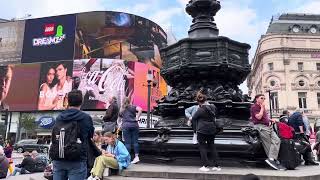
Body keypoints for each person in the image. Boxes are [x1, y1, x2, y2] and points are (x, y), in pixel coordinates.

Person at [51, 90, 94, 180]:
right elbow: (90, 135)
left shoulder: (59, 117)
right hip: (77, 158)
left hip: (59, 157)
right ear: (81, 102)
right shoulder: (86, 118)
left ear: (68, 101)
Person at [250, 94, 283, 170]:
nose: (263, 100)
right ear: (256, 99)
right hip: (261, 126)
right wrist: (262, 108)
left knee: (277, 140)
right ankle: (273, 160)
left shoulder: (262, 107)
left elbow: (265, 117)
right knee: (268, 144)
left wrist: (271, 120)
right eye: (261, 98)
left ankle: (271, 159)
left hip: (268, 126)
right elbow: (258, 117)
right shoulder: (254, 107)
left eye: (264, 98)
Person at [191, 91, 220, 172]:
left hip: (202, 130)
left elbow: (194, 118)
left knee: (202, 147)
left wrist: (194, 129)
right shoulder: (213, 107)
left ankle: (205, 165)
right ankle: (216, 165)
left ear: (199, 102)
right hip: (212, 129)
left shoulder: (200, 109)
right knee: (212, 146)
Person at [120, 97, 142, 164]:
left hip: (126, 126)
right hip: (134, 125)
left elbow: (120, 117)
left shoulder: (121, 109)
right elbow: (140, 109)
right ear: (129, 101)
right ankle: (136, 157)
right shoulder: (133, 107)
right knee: (135, 142)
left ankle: (128, 158)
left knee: (127, 143)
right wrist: (137, 117)